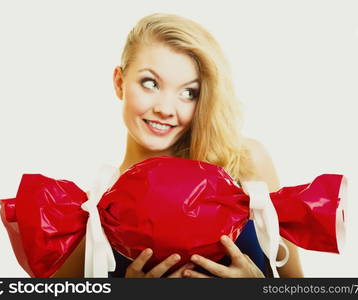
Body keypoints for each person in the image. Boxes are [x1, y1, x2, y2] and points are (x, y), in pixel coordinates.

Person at [52, 13, 303, 278]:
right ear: (119, 82)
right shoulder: (91, 211)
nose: (164, 109)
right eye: (150, 84)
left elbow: (297, 283)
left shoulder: (246, 163)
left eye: (188, 93)